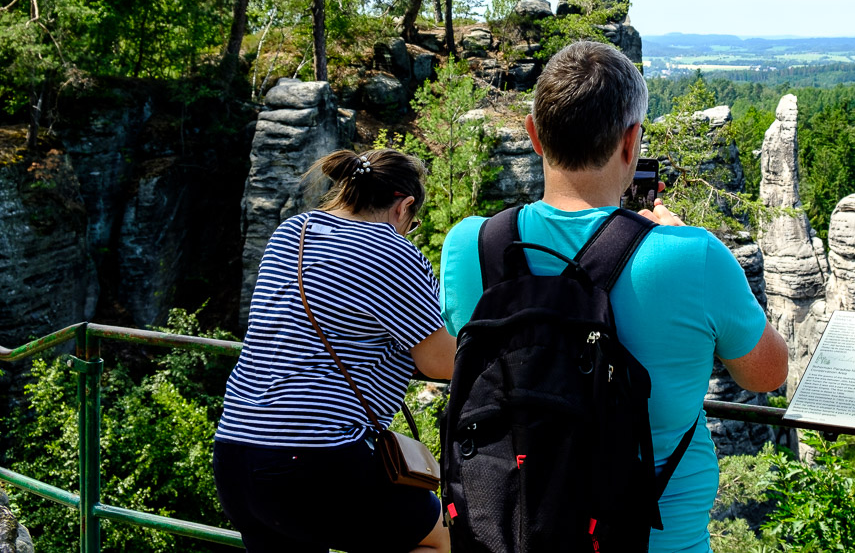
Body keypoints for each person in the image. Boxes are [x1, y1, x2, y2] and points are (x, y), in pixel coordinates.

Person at [439, 40, 789, 553]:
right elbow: (767, 373)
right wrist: (675, 240)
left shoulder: (471, 244)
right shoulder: (693, 256)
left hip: (507, 532)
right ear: (632, 143)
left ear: (535, 136)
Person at [213, 149, 455, 553]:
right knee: (442, 538)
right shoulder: (393, 250)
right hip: (313, 460)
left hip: (235, 454)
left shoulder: (293, 231)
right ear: (405, 206)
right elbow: (439, 360)